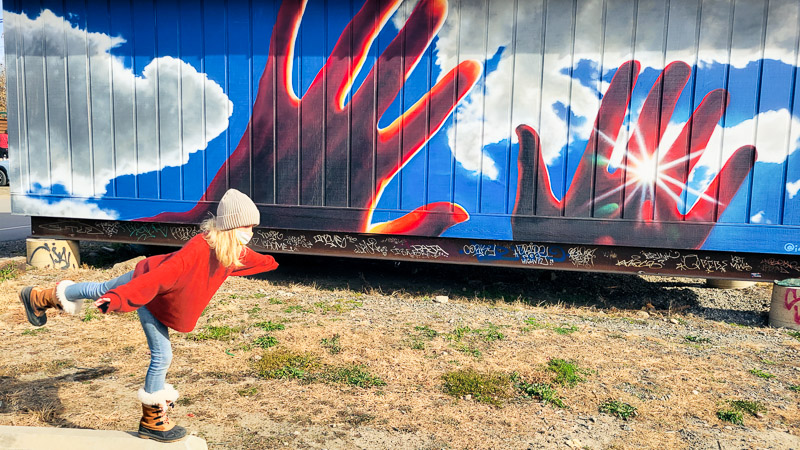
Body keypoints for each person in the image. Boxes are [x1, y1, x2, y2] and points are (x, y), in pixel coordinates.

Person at [18, 189, 278, 443]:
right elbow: (159, 278)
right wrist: (120, 299)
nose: (250, 233)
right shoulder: (199, 249)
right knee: (162, 355)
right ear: (230, 227)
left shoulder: (230, 251)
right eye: (247, 227)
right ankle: (152, 421)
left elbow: (253, 259)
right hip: (149, 290)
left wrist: (272, 262)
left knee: (99, 288)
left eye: (253, 227)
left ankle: (41, 297)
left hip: (153, 286)